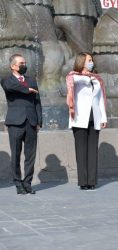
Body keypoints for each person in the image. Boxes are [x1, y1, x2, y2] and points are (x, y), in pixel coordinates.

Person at [1, 54, 42, 194]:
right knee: (16, 155)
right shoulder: (7, 79)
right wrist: (26, 89)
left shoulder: (31, 80)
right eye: (21, 63)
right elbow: (10, 87)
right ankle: (18, 184)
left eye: (25, 62)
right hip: (15, 122)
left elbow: (37, 101)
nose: (24, 65)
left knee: (30, 155)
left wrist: (39, 121)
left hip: (31, 122)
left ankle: (28, 183)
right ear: (13, 66)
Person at [66, 52, 107, 190]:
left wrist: (103, 118)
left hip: (94, 117)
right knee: (81, 150)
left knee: (92, 150)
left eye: (92, 60)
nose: (92, 62)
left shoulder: (96, 79)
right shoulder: (74, 77)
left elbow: (100, 99)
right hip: (79, 118)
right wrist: (86, 77)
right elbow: (74, 80)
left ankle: (92, 181)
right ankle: (83, 182)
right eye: (89, 60)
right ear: (82, 62)